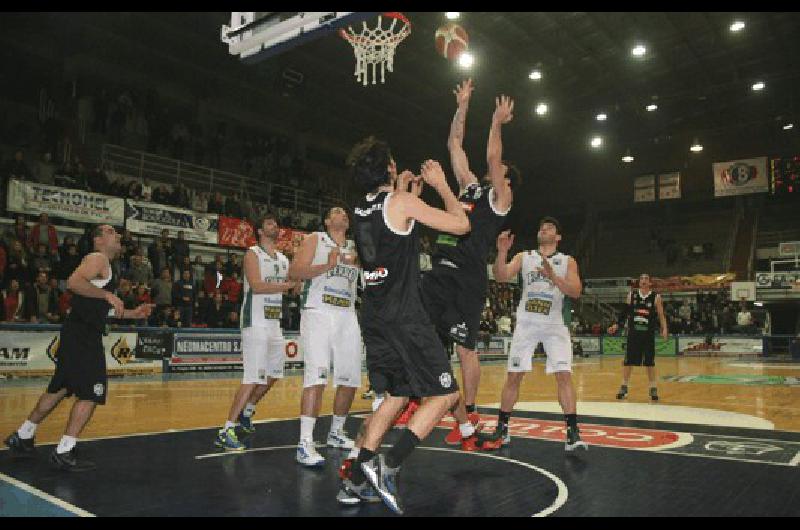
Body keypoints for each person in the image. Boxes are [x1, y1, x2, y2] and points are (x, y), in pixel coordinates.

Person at [338, 137, 469, 513]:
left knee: (396, 395)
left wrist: (403, 191)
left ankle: (357, 478)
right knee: (445, 394)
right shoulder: (401, 202)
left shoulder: (359, 209)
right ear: (390, 168)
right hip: (404, 314)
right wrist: (442, 185)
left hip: (375, 315)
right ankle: (389, 464)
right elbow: (460, 225)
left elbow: (390, 225)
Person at [396, 82, 517, 449]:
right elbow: (454, 144)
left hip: (466, 279)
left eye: (500, 173)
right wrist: (463, 106)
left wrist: (496, 123)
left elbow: (494, 159)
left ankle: (473, 410)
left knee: (465, 349)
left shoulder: (500, 201)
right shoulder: (468, 187)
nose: (492, 172)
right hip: (439, 271)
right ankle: (417, 397)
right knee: (415, 331)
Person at [3, 225, 153, 470]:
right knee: (91, 392)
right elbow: (73, 282)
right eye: (110, 232)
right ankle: (64, 449)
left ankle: (23, 435)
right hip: (83, 336)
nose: (116, 235)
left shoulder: (106, 267)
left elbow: (96, 305)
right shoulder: (98, 258)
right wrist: (106, 296)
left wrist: (134, 313)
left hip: (77, 332)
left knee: (60, 388)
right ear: (98, 240)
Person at [481, 217, 587, 452]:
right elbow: (501, 276)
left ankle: (572, 432)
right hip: (527, 323)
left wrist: (554, 277)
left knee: (564, 375)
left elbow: (576, 291)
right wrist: (501, 252)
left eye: (550, 227)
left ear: (558, 237)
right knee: (513, 376)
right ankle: (502, 428)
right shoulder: (524, 256)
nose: (544, 229)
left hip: (554, 324)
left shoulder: (567, 261)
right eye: (541, 227)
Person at [213, 213, 298, 451]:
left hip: (274, 323)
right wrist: (286, 285)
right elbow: (258, 285)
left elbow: (294, 289)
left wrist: (300, 273)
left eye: (276, 223)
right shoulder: (253, 253)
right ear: (260, 231)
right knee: (252, 377)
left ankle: (247, 411)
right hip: (255, 322)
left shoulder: (282, 258)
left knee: (274, 373)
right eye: (269, 223)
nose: (275, 226)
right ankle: (225, 430)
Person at [288, 206, 362, 466]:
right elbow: (294, 272)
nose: (342, 214)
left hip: (347, 315)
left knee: (350, 378)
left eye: (345, 212)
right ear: (327, 220)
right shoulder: (315, 239)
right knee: (317, 376)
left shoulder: (356, 247)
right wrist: (327, 265)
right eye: (336, 211)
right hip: (318, 311)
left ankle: (336, 432)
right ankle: (305, 443)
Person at [608, 273, 668, 401]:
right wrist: (617, 325)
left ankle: (653, 388)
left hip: (648, 334)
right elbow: (624, 313)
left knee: (649, 362)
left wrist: (665, 328)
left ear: (650, 282)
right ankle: (624, 386)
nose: (644, 281)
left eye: (646, 279)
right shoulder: (632, 295)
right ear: (639, 282)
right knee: (628, 361)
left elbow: (661, 315)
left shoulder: (656, 297)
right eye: (641, 279)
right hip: (633, 334)